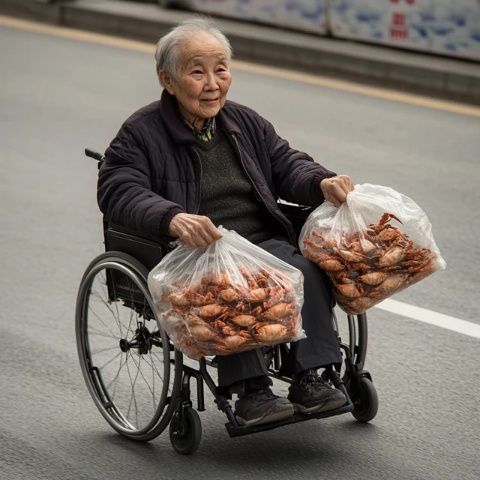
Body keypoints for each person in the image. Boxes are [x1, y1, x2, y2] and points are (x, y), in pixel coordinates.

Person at [97, 18, 355, 428]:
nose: (212, 82)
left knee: (306, 268)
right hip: (197, 254)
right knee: (235, 288)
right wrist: (173, 217)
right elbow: (119, 189)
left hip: (259, 240)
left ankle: (310, 377)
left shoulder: (244, 121)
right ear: (168, 79)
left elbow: (286, 162)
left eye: (221, 69)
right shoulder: (140, 133)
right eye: (197, 71)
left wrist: (320, 181)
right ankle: (252, 392)